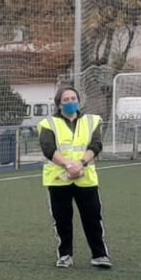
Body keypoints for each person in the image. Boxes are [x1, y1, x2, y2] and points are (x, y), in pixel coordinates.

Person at [38, 85, 112, 269]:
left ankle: (100, 255)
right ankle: (65, 255)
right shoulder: (48, 124)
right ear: (59, 104)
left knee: (93, 217)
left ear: (79, 101)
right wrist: (68, 166)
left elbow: (96, 145)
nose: (71, 102)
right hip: (58, 179)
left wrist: (81, 164)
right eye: (66, 100)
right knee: (62, 219)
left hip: (85, 177)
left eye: (73, 99)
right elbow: (49, 149)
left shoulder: (92, 121)